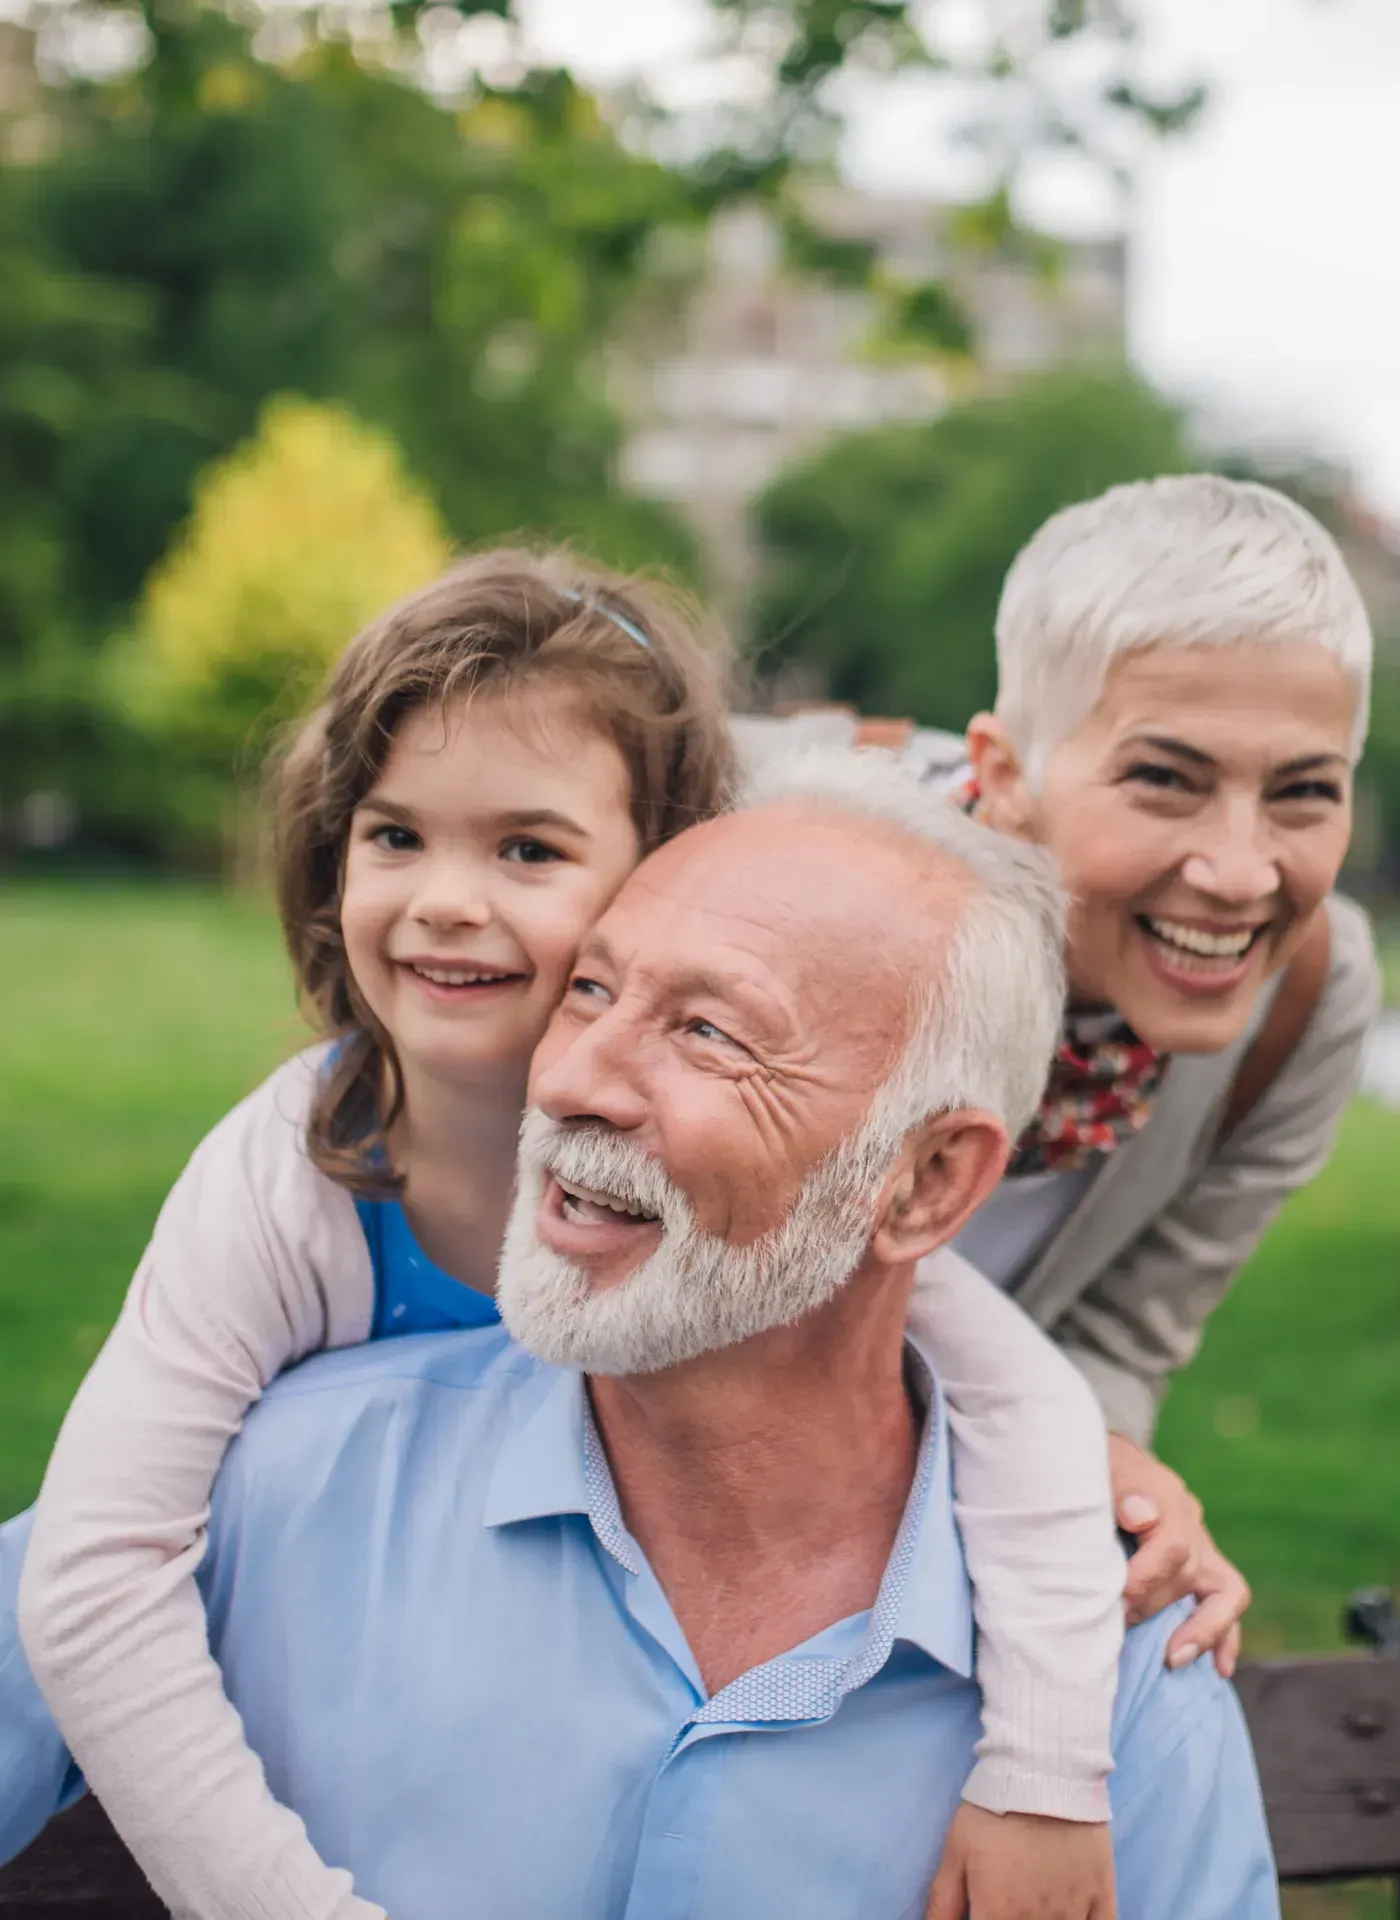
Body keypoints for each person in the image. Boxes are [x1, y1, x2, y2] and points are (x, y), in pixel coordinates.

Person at [16, 553, 1125, 1920]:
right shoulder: (302, 1165)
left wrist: (1044, 1773)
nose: (444, 900)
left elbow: (1026, 1411)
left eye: (527, 849)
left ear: (665, 870)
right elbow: (97, 1567)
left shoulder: (752, 1182)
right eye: (393, 835)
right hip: (361, 1614)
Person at [743, 473, 1379, 1718]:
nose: (1238, 870)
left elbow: (1116, 1337)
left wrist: (1106, 1480)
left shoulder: (1303, 1002)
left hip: (919, 1525)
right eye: (1164, 779)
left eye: (1302, 790)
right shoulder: (783, 875)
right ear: (1003, 768)